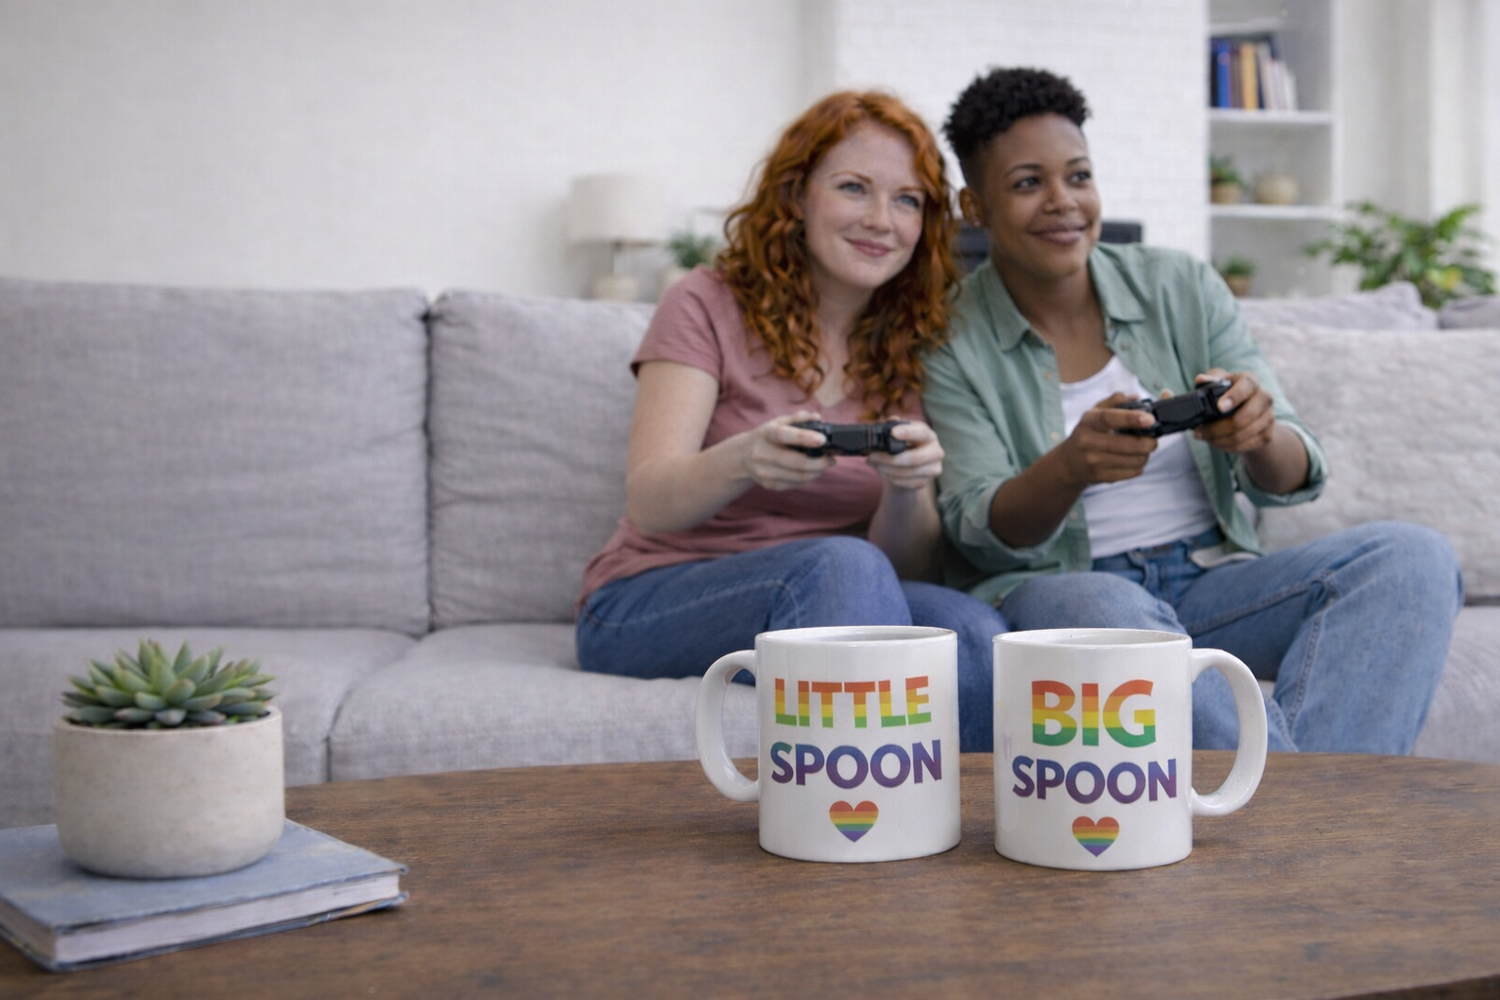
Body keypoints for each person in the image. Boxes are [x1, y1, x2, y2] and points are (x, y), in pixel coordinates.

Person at [923, 67, 1462, 754]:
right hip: (1070, 592)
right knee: (1104, 609)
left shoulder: (1179, 284)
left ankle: (1302, 802)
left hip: (1213, 578)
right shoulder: (949, 338)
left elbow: (1295, 469)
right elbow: (978, 530)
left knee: (1412, 557)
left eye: (1079, 176)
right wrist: (1070, 468)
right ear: (974, 207)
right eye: (1028, 183)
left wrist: (1258, 433)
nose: (1064, 202)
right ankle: (1314, 808)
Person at [576, 91, 1009, 752]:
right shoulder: (704, 302)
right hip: (651, 597)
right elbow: (650, 502)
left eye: (907, 200)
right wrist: (743, 459)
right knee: (842, 565)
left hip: (838, 594)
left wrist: (907, 487)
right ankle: (860, 811)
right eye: (853, 188)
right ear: (797, 195)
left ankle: (960, 815)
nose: (881, 220)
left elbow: (908, 568)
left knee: (973, 632)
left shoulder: (912, 338)